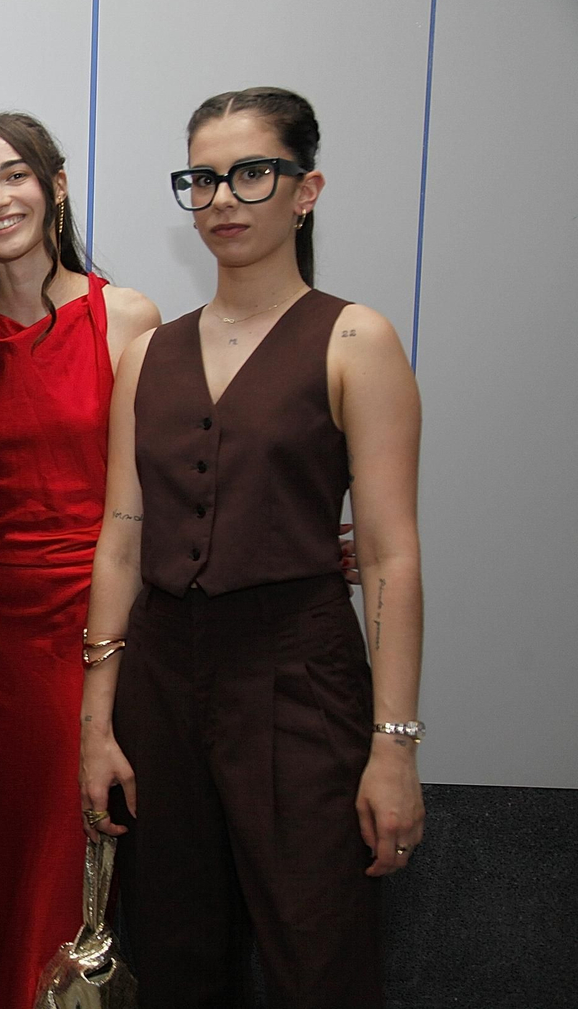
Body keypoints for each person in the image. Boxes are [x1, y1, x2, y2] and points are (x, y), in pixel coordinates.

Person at [78, 87, 425, 1009]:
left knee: (320, 952)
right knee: (176, 948)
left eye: (251, 173)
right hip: (162, 680)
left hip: (299, 676)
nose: (223, 198)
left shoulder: (356, 339)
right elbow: (122, 536)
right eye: (203, 178)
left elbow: (390, 557)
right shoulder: (150, 354)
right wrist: (97, 722)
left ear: (306, 189)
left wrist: (394, 746)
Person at [0, 112, 159, 1009]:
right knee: (1, 855)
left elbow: (157, 488)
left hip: (94, 617)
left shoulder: (124, 316)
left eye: (14, 176)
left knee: (77, 844)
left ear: (55, 187)